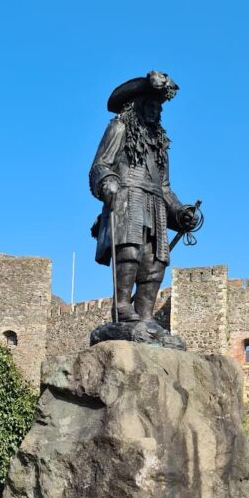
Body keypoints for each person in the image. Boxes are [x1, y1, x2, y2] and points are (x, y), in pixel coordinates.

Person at [90, 71, 199, 324]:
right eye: (150, 105)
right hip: (128, 198)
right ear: (136, 105)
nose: (155, 111)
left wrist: (180, 211)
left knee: (155, 262)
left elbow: (165, 187)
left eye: (159, 108)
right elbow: (100, 165)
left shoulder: (160, 146)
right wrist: (108, 182)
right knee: (129, 252)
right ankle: (122, 307)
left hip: (155, 205)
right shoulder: (118, 128)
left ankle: (146, 316)